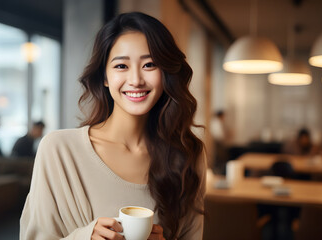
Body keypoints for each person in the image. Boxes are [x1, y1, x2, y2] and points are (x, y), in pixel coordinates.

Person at [20, 12, 206, 240]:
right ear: (105, 77)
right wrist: (85, 237)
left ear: (166, 73)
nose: (136, 79)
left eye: (149, 64)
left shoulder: (188, 154)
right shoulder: (58, 149)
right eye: (121, 66)